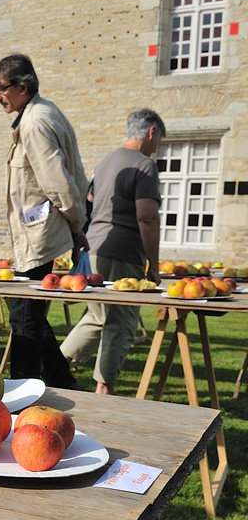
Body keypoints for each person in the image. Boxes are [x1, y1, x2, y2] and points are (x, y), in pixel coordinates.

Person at [0, 53, 88, 389]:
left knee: (24, 319)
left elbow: (58, 183)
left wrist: (77, 227)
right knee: (31, 311)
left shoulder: (34, 122)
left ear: (22, 86)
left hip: (39, 235)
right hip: (38, 233)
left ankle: (23, 393)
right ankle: (63, 381)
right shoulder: (44, 113)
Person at [60, 109, 166, 395]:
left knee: (97, 316)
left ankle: (56, 366)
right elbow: (147, 217)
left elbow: (90, 201)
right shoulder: (145, 165)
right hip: (124, 251)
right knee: (121, 321)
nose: (156, 149)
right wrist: (153, 264)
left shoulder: (106, 160)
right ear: (151, 132)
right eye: (158, 142)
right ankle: (104, 391)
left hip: (96, 246)